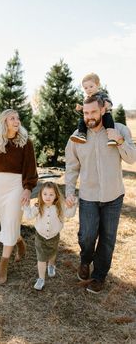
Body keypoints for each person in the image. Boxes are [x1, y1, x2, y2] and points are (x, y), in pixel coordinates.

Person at [65, 95, 136, 294]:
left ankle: (99, 276)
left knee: (107, 239)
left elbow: (132, 158)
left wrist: (119, 141)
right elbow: (71, 167)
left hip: (114, 196)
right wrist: (70, 192)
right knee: (87, 236)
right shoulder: (77, 136)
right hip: (89, 196)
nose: (89, 117)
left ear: (103, 110)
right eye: (86, 113)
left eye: (93, 112)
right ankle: (86, 260)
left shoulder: (119, 129)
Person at [0, 109, 38, 285]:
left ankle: (3, 265)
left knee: (11, 221)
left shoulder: (25, 143)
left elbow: (31, 168)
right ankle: (19, 242)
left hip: (16, 187)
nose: (16, 121)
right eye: (12, 118)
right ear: (4, 122)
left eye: (17, 118)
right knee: (8, 223)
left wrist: (28, 189)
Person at [23, 181, 77, 290]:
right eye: (45, 194)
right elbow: (28, 216)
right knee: (41, 257)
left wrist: (73, 205)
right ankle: (41, 279)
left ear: (56, 195)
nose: (48, 197)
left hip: (54, 236)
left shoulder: (60, 207)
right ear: (41, 195)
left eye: (51, 194)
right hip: (40, 237)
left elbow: (70, 214)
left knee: (52, 253)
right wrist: (25, 206)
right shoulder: (38, 207)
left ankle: (51, 265)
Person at [70, 72, 117, 146]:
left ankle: (112, 138)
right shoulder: (86, 98)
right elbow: (87, 112)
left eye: (91, 86)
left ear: (98, 85)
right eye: (86, 88)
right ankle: (82, 135)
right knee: (82, 120)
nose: (88, 89)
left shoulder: (102, 95)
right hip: (92, 117)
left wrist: (107, 105)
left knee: (108, 119)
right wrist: (81, 109)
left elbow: (109, 103)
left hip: (103, 114)